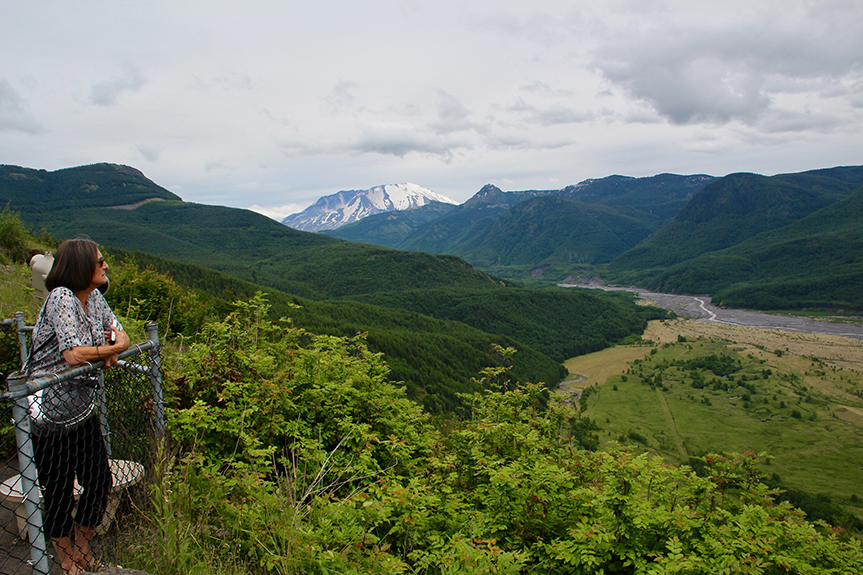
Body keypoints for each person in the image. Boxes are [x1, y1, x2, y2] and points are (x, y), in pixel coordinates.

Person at [25, 238, 130, 575]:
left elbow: (121, 335)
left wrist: (109, 348)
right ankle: (67, 559)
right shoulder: (62, 298)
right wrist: (107, 352)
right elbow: (72, 354)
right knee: (57, 491)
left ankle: (83, 548)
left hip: (82, 406)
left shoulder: (94, 298)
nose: (105, 266)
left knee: (99, 481)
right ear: (82, 266)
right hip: (50, 411)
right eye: (100, 262)